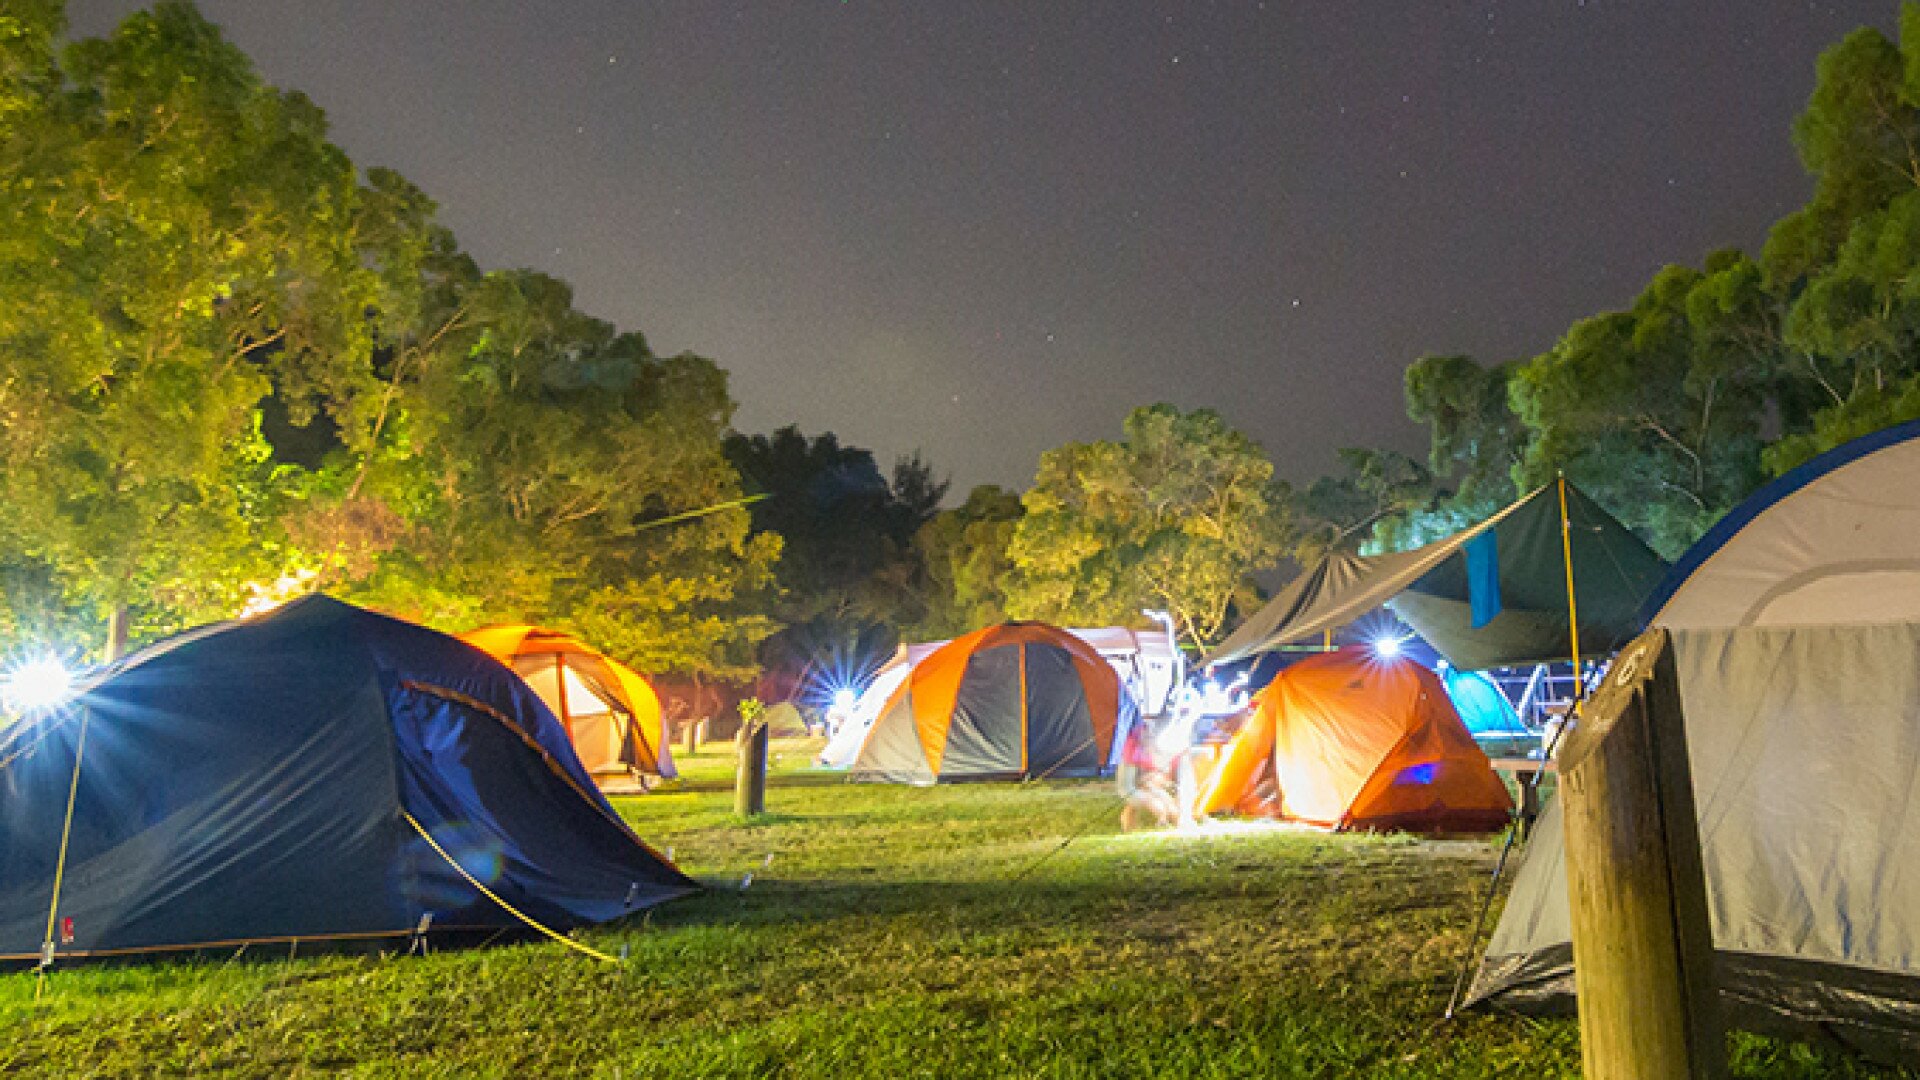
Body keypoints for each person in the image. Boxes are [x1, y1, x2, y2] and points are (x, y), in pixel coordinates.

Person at [1118, 718, 1179, 831]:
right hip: (1136, 782)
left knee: (1169, 806)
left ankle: (1167, 819)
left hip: (1149, 782)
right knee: (1157, 803)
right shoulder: (1134, 746)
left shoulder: (1169, 744)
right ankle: (1161, 820)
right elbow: (1128, 787)